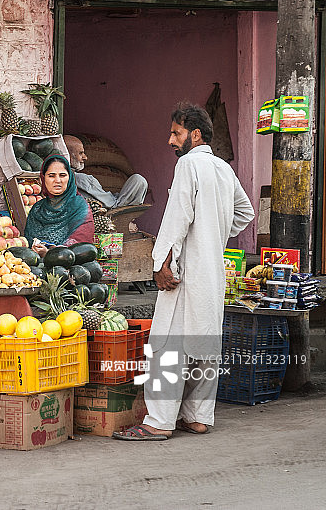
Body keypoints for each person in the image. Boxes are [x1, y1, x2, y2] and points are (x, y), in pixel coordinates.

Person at [113, 104, 254, 442]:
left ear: (195, 134)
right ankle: (198, 417)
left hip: (183, 272)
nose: (170, 140)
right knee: (204, 343)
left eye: (175, 133)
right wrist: (213, 231)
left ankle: (159, 421)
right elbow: (245, 212)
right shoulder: (222, 168)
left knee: (165, 346)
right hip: (212, 272)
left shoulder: (188, 165)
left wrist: (160, 264)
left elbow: (176, 219)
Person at [25, 153, 94, 257]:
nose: (57, 181)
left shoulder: (79, 207)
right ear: (43, 179)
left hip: (72, 270)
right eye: (51, 176)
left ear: (69, 178)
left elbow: (81, 248)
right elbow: (28, 243)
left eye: (62, 175)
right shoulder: (37, 209)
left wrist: (49, 254)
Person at [65, 135, 149, 208]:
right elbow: (111, 204)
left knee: (137, 180)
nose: (85, 157)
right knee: (138, 180)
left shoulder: (73, 179)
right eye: (80, 153)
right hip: (112, 210)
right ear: (68, 155)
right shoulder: (81, 179)